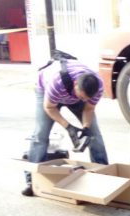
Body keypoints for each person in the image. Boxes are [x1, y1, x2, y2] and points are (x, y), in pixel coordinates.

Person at [21, 58, 109, 196]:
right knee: (41, 134)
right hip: (46, 92)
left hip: (70, 94)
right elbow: (49, 107)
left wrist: (85, 128)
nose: (84, 100)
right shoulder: (57, 83)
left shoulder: (97, 87)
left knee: (94, 135)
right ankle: (32, 181)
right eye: (82, 96)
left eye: (86, 98)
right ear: (75, 85)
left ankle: (103, 174)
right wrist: (69, 127)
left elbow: (88, 109)